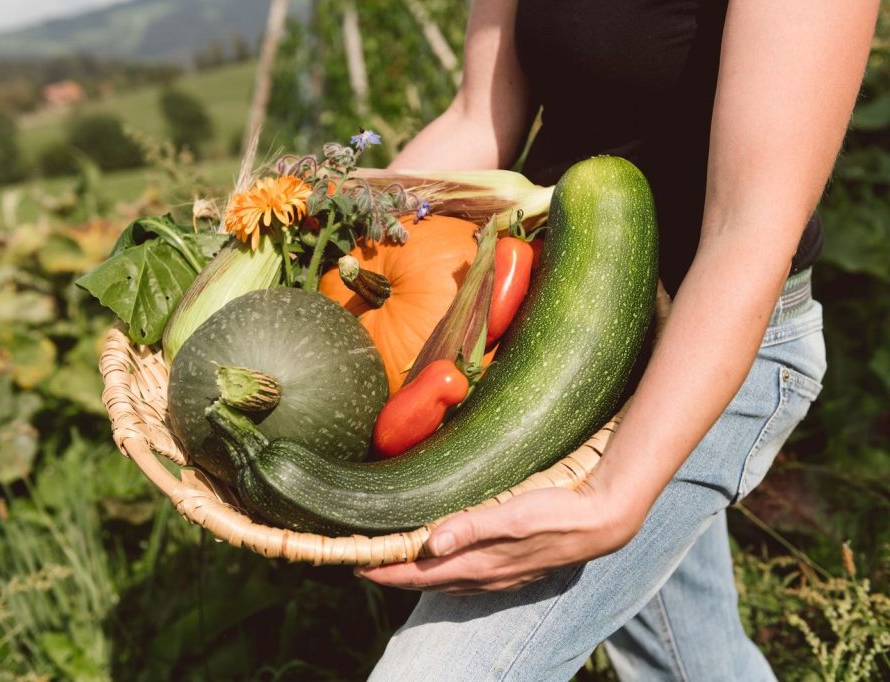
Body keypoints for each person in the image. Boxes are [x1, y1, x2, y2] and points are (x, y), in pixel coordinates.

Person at [357, 1, 879, 679]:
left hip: (717, 338)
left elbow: (747, 232)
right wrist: (344, 233)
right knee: (694, 664)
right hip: (552, 322)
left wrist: (612, 497)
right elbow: (475, 120)